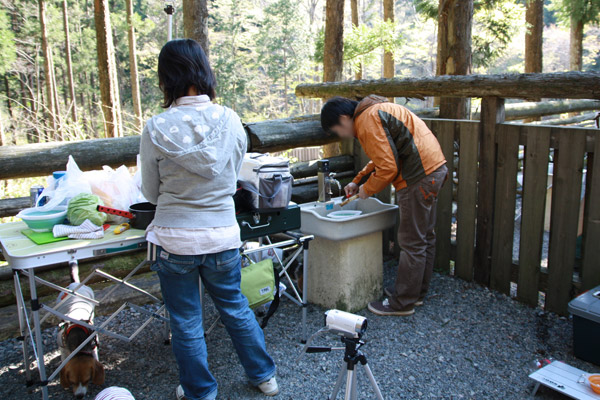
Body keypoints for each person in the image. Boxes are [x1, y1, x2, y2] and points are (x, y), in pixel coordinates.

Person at [140, 39, 278, 400]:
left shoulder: (156, 127)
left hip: (174, 240)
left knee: (186, 321)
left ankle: (200, 391)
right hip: (222, 236)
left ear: (166, 76)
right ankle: (264, 377)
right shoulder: (231, 120)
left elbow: (151, 194)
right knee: (235, 308)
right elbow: (232, 177)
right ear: (204, 70)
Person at [320, 95, 448, 317]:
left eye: (338, 130)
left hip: (417, 177)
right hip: (433, 169)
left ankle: (402, 303)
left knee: (412, 242)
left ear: (343, 118)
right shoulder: (376, 109)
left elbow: (387, 167)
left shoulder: (367, 119)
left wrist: (366, 190)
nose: (342, 135)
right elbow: (385, 155)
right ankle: (415, 292)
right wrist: (358, 180)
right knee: (424, 237)